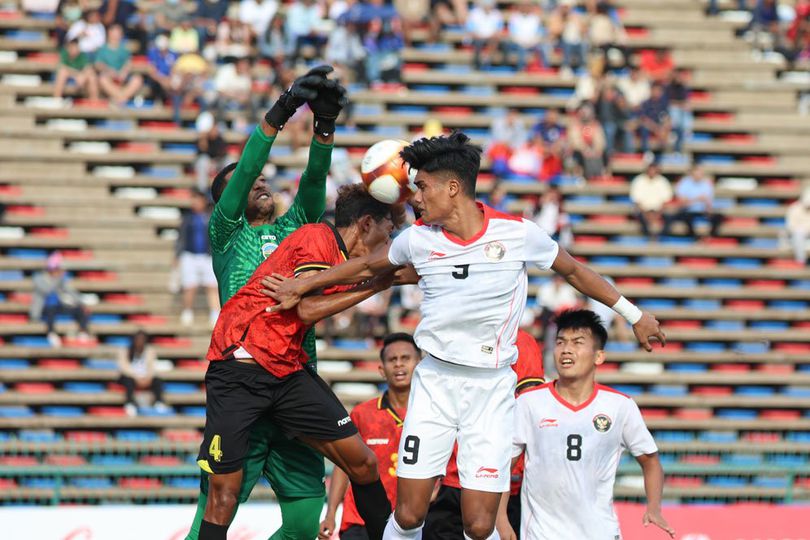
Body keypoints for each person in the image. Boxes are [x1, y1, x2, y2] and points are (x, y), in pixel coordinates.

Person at [264, 132, 665, 540]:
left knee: (478, 524)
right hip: (436, 383)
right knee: (407, 515)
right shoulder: (419, 239)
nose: (415, 197)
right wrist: (302, 286)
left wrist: (634, 314)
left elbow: (576, 272)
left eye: (422, 187)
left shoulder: (517, 234)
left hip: (491, 391)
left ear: (452, 188)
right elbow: (367, 267)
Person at [185, 66, 349, 540]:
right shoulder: (226, 234)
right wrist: (280, 111)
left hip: (296, 378)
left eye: (261, 181)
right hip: (243, 383)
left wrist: (323, 128)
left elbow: (315, 179)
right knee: (212, 515)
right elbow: (247, 171)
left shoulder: (299, 230)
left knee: (302, 525)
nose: (259, 184)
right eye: (247, 182)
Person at [197, 184, 400, 540]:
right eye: (389, 230)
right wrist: (380, 283)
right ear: (367, 224)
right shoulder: (317, 237)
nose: (390, 240)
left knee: (364, 462)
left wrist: (381, 278)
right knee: (223, 496)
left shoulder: (342, 263)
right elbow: (304, 308)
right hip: (239, 366)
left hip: (286, 369)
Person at [505, 309, 675, 540]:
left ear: (599, 356)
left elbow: (650, 461)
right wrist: (500, 522)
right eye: (560, 342)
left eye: (577, 343)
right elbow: (503, 467)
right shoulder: (529, 403)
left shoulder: (619, 406)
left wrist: (654, 507)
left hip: (600, 533)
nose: (566, 349)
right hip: (541, 534)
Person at [423, 328, 544, 539]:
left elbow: (527, 408)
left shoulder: (518, 340)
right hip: (448, 478)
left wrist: (501, 512)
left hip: (492, 479)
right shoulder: (448, 334)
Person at [320, 333, 422, 540]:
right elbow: (343, 464)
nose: (399, 365)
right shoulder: (362, 414)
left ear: (420, 365)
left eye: (406, 358)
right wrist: (330, 513)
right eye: (392, 360)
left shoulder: (433, 415)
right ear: (381, 370)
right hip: (360, 521)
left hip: (410, 520)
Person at [176, 188, 219, 326]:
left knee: (212, 286)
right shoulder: (187, 218)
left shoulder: (211, 216)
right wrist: (177, 255)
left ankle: (215, 313)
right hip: (190, 255)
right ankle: (187, 311)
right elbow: (181, 238)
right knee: (190, 286)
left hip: (208, 256)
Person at [30, 252, 92, 348]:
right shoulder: (39, 279)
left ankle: (83, 332)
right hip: (44, 308)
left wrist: (81, 303)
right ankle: (51, 333)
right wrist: (58, 279)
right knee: (52, 306)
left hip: (59, 306)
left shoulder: (60, 280)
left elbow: (71, 292)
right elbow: (48, 291)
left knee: (79, 308)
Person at [117, 330, 168, 417]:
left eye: (142, 339)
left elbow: (152, 367)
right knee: (128, 381)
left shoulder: (150, 351)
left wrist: (148, 377)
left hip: (145, 377)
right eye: (138, 339)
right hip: (131, 377)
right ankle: (130, 404)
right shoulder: (125, 351)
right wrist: (136, 378)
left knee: (158, 381)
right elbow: (124, 368)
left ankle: (159, 402)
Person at [661, 165, 722, 238]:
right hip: (688, 211)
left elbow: (708, 202)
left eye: (700, 173)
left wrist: (708, 208)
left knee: (718, 217)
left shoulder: (706, 184)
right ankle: (693, 238)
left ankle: (711, 238)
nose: (698, 176)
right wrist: (697, 199)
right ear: (692, 174)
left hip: (701, 211)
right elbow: (682, 203)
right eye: (696, 174)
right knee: (686, 218)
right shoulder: (684, 183)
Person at [95, 24, 143, 106]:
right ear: (109, 33)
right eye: (114, 33)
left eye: (118, 33)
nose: (116, 35)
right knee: (102, 79)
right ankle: (122, 98)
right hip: (108, 77)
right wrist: (109, 71)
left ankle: (119, 99)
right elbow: (98, 64)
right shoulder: (102, 49)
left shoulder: (124, 49)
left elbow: (128, 62)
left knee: (137, 79)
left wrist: (124, 72)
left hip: (122, 78)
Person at [629, 162, 673, 239]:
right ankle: (648, 238)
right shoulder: (638, 181)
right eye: (650, 170)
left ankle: (661, 237)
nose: (652, 172)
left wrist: (658, 215)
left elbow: (666, 201)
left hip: (659, 210)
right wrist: (645, 214)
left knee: (669, 218)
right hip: (643, 210)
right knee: (640, 218)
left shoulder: (663, 181)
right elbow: (637, 201)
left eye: (654, 170)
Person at [786, 186, 810, 265]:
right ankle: (800, 261)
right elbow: (790, 226)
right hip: (799, 234)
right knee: (798, 234)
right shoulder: (794, 209)